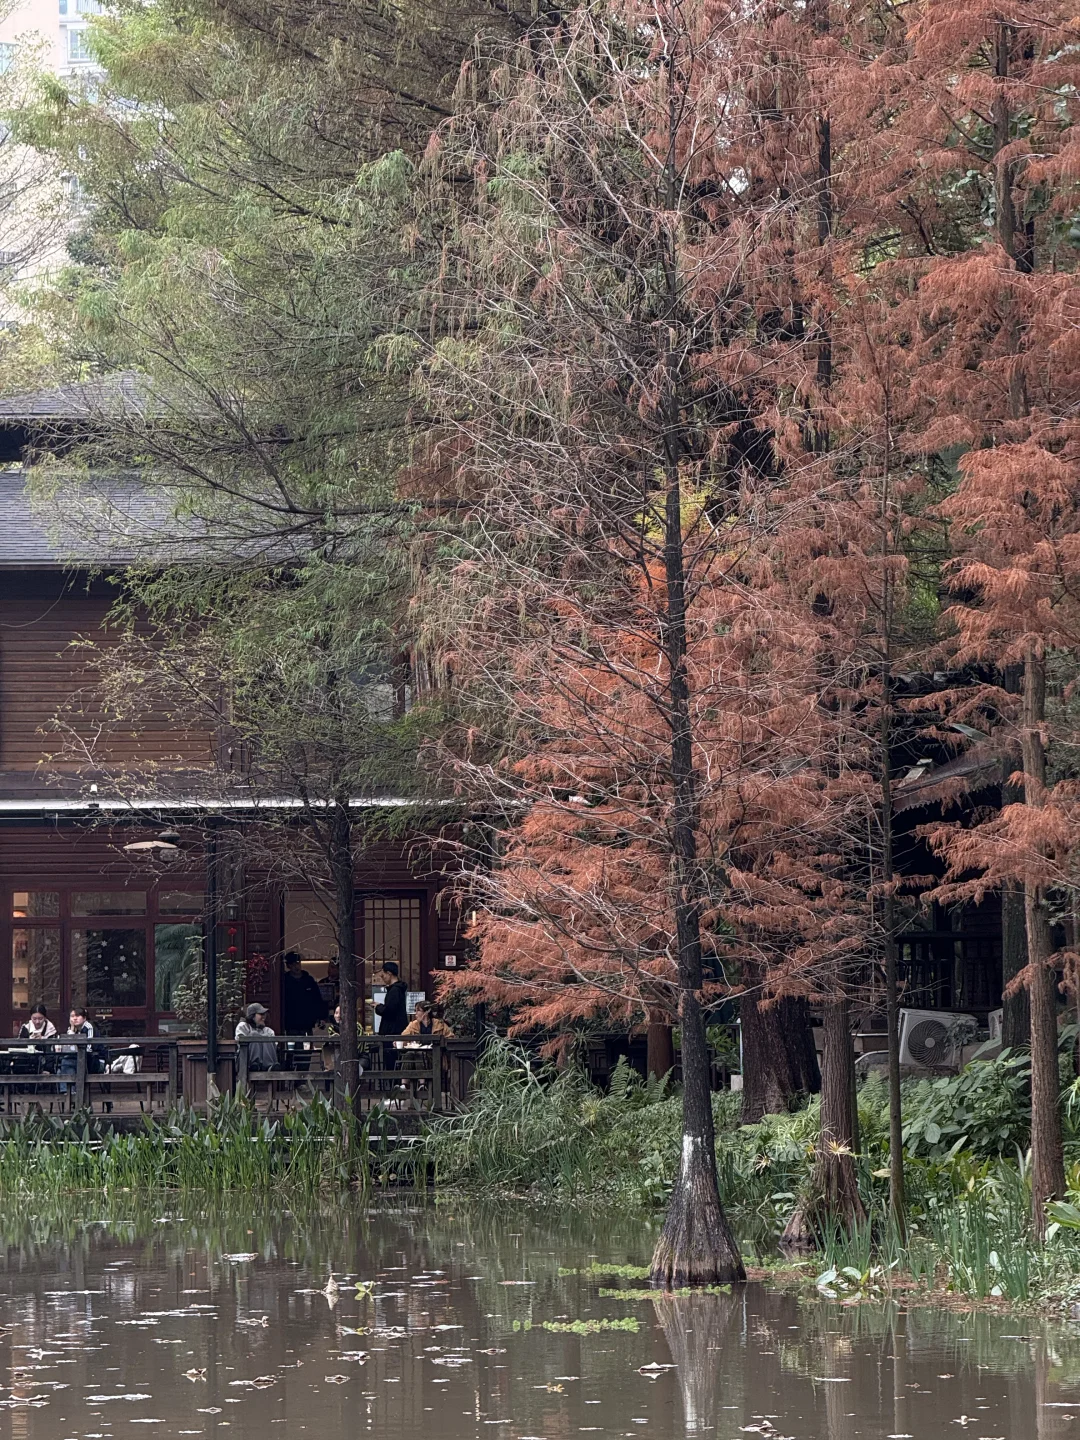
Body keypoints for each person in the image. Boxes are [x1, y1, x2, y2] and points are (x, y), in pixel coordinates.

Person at [281, 952, 328, 1036]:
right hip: (291, 1022)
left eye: (298, 963)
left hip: (307, 1022)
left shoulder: (309, 980)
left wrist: (322, 1016)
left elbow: (317, 999)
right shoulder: (285, 981)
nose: (296, 966)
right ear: (288, 966)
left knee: (308, 1046)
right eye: (293, 964)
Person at [58, 1006, 95, 1092]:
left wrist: (72, 1035)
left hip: (91, 1059)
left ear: (84, 1018)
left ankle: (68, 1092)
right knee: (61, 1067)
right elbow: (68, 1047)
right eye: (72, 1016)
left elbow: (89, 1048)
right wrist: (71, 1030)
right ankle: (71, 1092)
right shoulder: (72, 1029)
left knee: (66, 1063)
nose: (74, 1018)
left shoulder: (88, 1027)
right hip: (76, 1058)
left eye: (77, 1016)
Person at [234, 1003, 279, 1072]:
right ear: (252, 1016)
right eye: (261, 1014)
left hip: (265, 1063)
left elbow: (274, 1046)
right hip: (245, 1062)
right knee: (254, 1034)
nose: (264, 1017)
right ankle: (254, 1064)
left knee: (267, 1037)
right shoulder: (243, 1026)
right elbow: (240, 1041)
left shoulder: (268, 1031)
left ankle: (270, 1066)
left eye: (264, 1014)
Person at [374, 962, 408, 1036]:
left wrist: (378, 1006)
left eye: (383, 975)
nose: (383, 978)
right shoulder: (398, 989)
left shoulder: (394, 990)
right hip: (396, 1029)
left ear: (389, 974)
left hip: (392, 1031)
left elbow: (389, 1011)